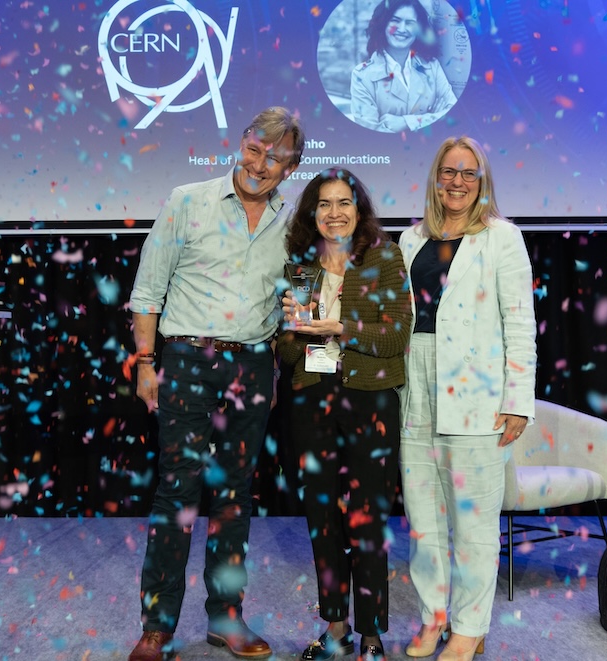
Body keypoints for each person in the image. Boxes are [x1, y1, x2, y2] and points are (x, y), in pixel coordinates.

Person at [126, 107, 305, 661]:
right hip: (184, 359)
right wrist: (145, 360)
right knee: (177, 493)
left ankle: (227, 618)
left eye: (275, 158)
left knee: (235, 498)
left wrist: (273, 365)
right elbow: (148, 290)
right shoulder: (188, 200)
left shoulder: (292, 221)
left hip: (252, 366)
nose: (260, 164)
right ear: (241, 143)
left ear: (291, 168)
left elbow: (287, 303)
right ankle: (157, 627)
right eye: (255, 149)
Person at [398, 136, 537, 661]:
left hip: (477, 393)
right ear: (435, 178)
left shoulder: (502, 238)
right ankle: (433, 619)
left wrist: (518, 398)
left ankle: (469, 628)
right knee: (424, 520)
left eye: (468, 173)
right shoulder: (410, 240)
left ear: (482, 181)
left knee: (474, 523)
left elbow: (519, 324)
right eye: (448, 172)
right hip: (417, 385)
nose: (457, 182)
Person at [276, 168, 411, 661]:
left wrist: (339, 327)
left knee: (368, 519)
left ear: (359, 210)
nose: (335, 213)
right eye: (324, 204)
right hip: (313, 397)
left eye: (344, 203)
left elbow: (396, 336)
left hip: (370, 399)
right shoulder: (299, 266)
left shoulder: (384, 257)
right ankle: (335, 627)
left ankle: (372, 635)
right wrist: (294, 331)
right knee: (322, 519)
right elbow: (286, 352)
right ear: (312, 213)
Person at [351, 0, 457, 133]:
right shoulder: (361, 75)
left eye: (410, 23)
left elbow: (453, 116)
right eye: (395, 20)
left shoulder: (432, 66)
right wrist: (433, 117)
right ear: (383, 24)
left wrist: (406, 122)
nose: (402, 29)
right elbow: (370, 133)